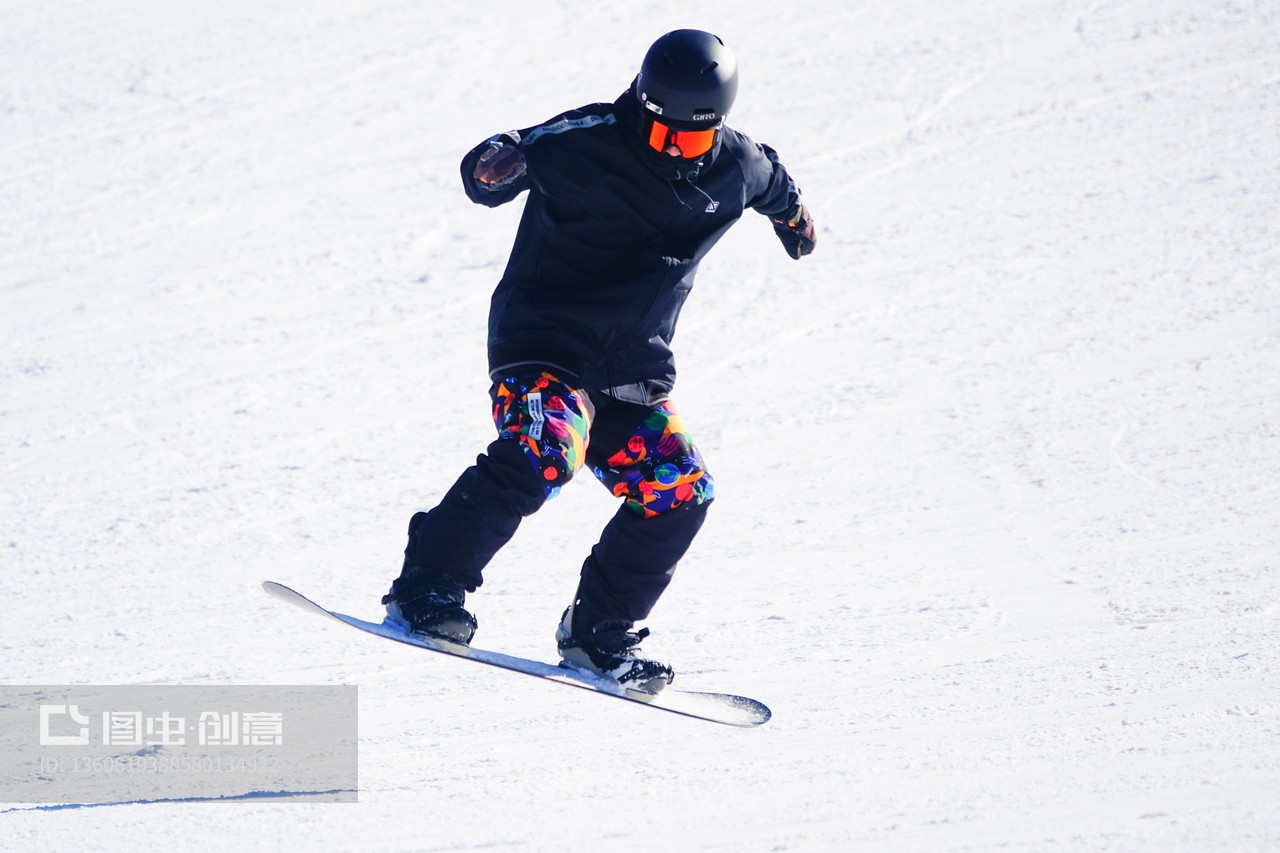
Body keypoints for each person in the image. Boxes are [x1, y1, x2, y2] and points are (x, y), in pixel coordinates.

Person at [382, 29, 816, 693]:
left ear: (716, 129)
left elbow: (774, 181)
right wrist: (492, 165)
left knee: (681, 490)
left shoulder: (737, 164)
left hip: (632, 371)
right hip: (543, 348)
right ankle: (427, 587)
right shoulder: (589, 139)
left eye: (690, 139)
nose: (672, 147)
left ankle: (598, 635)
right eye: (660, 129)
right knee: (546, 447)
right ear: (643, 104)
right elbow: (505, 158)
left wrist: (797, 222)